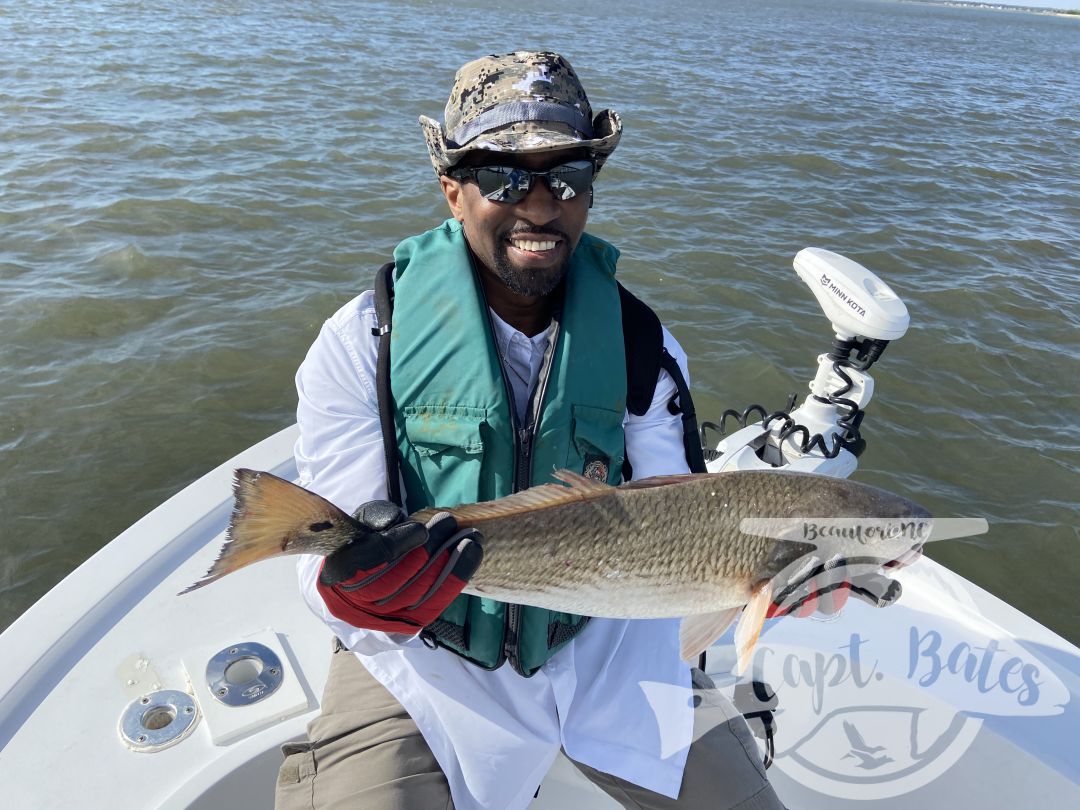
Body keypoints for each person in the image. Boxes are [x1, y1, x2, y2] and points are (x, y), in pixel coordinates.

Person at [275, 50, 840, 810]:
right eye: (507, 178)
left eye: (568, 178)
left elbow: (684, 515)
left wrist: (769, 585)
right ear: (453, 191)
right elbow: (329, 535)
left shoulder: (643, 346)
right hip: (425, 653)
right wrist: (354, 590)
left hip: (608, 639)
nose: (540, 206)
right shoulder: (362, 340)